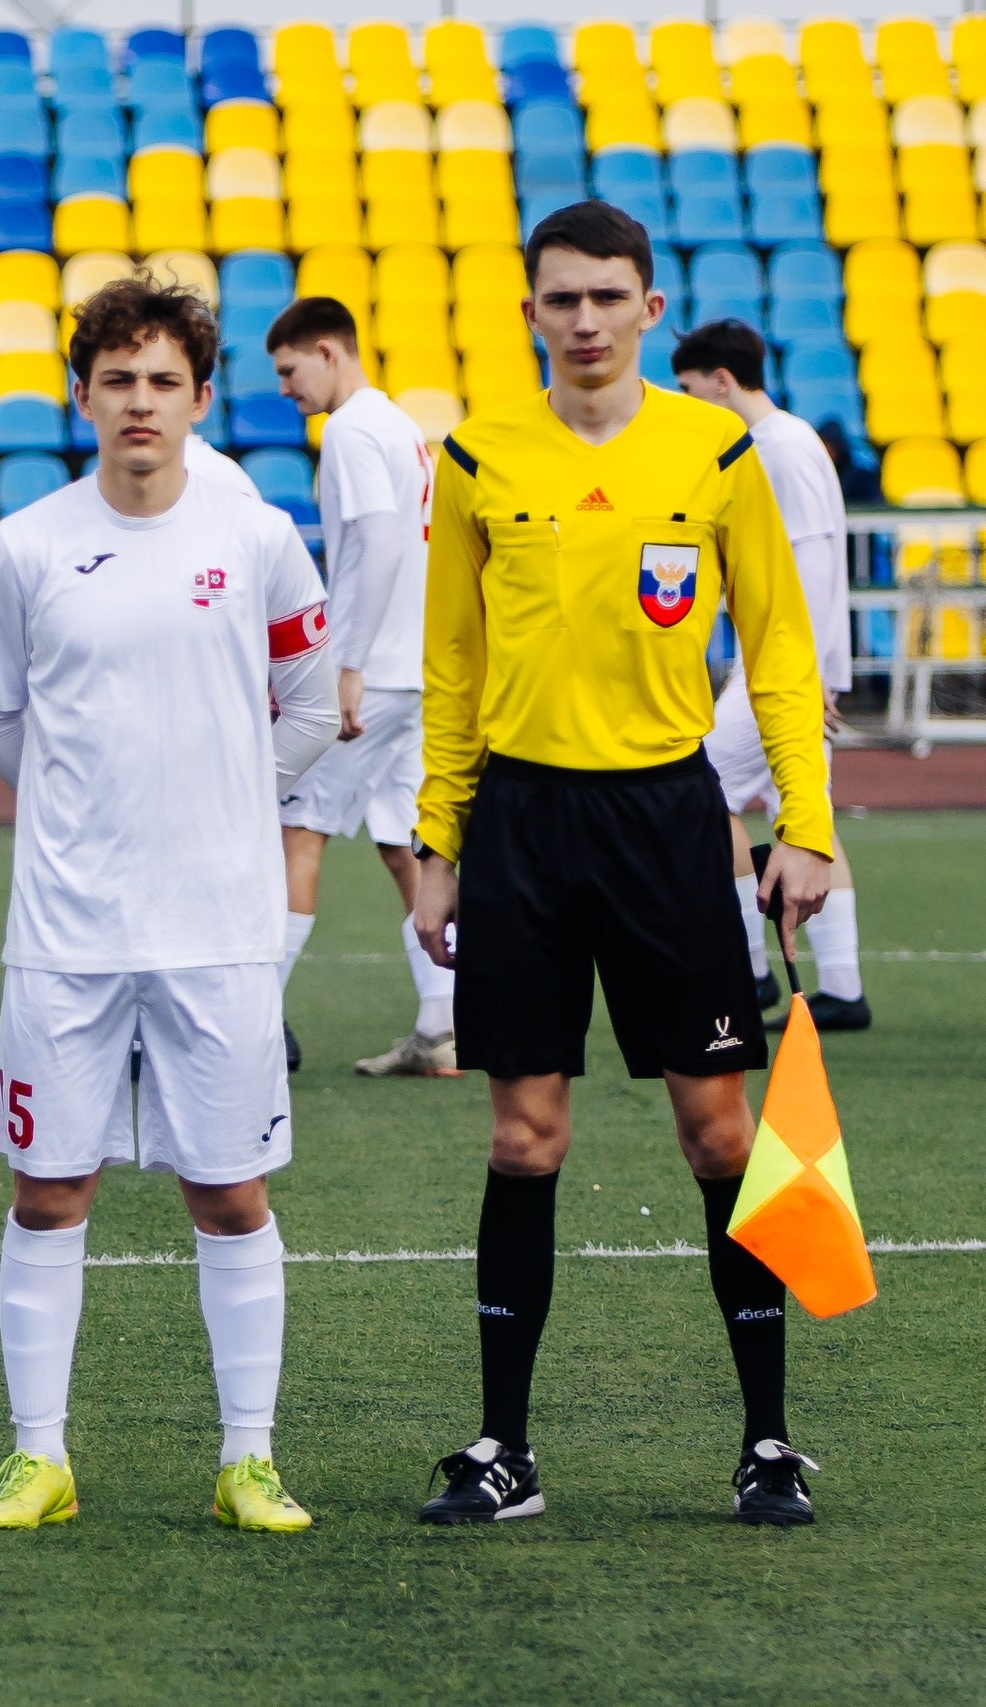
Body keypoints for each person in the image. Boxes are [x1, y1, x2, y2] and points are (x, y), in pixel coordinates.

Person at [411, 203, 833, 1527]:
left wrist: (806, 822)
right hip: (524, 827)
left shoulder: (716, 450)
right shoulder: (477, 456)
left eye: (609, 296)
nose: (585, 318)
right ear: (530, 311)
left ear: (650, 309)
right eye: (562, 298)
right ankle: (503, 1448)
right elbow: (452, 666)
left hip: (664, 819)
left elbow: (777, 644)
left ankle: (768, 1441)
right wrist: (437, 838)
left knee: (719, 1130)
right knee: (524, 1135)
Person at [0, 277, 339, 1536]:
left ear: (200, 399)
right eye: (115, 379)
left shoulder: (258, 538)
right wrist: (83, 806)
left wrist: (233, 803)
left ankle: (248, 1459)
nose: (138, 402)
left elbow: (309, 700)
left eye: (161, 381)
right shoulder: (22, 545)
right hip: (66, 931)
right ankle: (38, 1458)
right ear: (81, 395)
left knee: (230, 1194)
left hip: (218, 927)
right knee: (47, 1188)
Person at [265, 295, 459, 1078]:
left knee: (296, 832)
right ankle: (446, 1023)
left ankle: (244, 1027)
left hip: (371, 671)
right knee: (403, 841)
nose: (285, 388)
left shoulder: (348, 430)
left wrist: (344, 665)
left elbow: (376, 544)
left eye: (289, 369)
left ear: (326, 351)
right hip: (417, 670)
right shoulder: (401, 426)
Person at [673, 318, 870, 1032]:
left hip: (784, 670)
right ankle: (841, 986)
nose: (689, 401)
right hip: (794, 665)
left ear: (722, 381)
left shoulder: (777, 448)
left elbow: (809, 563)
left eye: (693, 390)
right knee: (804, 808)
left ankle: (747, 969)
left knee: (701, 789)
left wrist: (805, 674)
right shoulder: (786, 443)